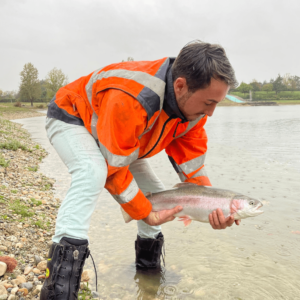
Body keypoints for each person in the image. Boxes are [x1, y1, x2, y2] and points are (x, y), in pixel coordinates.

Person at [40, 40, 239, 300]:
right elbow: (115, 168)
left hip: (122, 139)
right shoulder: (134, 97)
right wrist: (144, 212)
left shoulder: (193, 112)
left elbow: (193, 171)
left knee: (157, 194)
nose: (211, 113)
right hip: (73, 117)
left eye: (217, 104)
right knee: (92, 172)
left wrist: (215, 207)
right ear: (180, 86)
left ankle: (148, 276)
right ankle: (58, 288)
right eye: (209, 102)